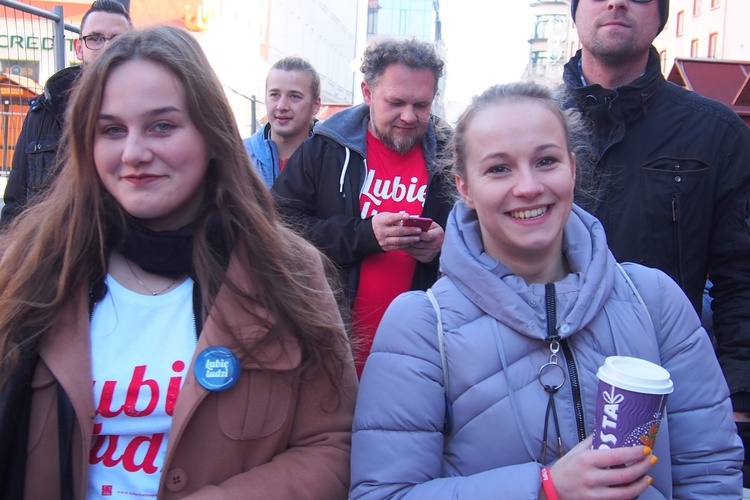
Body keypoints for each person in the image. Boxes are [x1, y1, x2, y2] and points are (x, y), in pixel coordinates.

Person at [0, 25, 357, 499]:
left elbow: (333, 444)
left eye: (162, 126)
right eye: (111, 130)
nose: (133, 154)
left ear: (212, 135)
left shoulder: (288, 271)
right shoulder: (29, 263)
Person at [350, 82, 743, 499]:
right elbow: (383, 493)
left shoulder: (654, 300)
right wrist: (544, 488)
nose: (528, 187)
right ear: (464, 188)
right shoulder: (421, 326)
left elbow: (710, 475)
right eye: (499, 168)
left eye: (546, 161)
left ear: (572, 168)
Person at [561, 0, 750, 482]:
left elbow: (741, 277)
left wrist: (739, 398)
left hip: (664, 390)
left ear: (662, 14)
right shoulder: (527, 122)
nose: (617, 2)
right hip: (534, 387)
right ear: (575, 9)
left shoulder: (715, 133)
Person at [271, 37, 454, 376]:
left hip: (421, 364)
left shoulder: (451, 158)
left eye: (422, 105)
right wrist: (365, 235)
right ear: (368, 93)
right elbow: (278, 229)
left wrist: (446, 248)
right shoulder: (324, 149)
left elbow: (487, 246)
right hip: (327, 355)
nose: (409, 116)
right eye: (396, 102)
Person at [0, 0, 132, 227]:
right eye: (95, 38)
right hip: (48, 253)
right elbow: (15, 203)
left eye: (118, 40)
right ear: (79, 48)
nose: (106, 48)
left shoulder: (147, 118)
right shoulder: (43, 114)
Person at [243, 56, 321, 188]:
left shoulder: (333, 160)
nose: (281, 106)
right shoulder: (239, 157)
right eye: (274, 95)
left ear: (315, 105)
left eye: (294, 96)